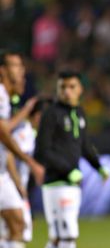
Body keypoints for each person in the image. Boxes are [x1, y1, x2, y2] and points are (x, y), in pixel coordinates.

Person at [34, 72, 109, 248]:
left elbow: (84, 145)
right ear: (57, 89)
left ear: (80, 89)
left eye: (71, 87)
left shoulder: (79, 113)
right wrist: (68, 170)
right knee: (67, 236)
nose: (67, 91)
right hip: (56, 183)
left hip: (71, 184)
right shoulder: (51, 114)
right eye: (63, 87)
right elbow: (42, 151)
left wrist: (99, 167)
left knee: (58, 237)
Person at [0, 50, 44, 248]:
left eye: (21, 65)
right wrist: (29, 162)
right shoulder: (0, 94)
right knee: (17, 224)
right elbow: (3, 132)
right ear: (3, 70)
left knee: (17, 225)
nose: (20, 70)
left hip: (3, 174)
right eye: (15, 65)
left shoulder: (5, 98)